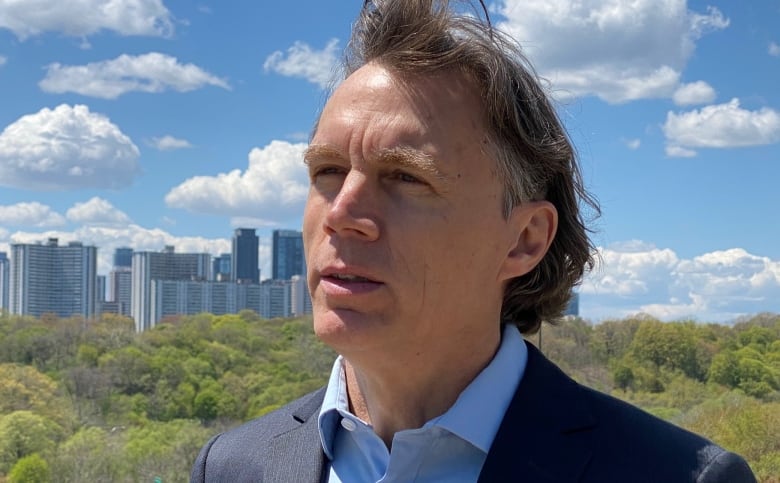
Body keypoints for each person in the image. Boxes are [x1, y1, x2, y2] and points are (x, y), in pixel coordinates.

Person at [191, 1, 756, 481]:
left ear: (524, 240)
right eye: (328, 172)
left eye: (406, 177)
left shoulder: (675, 473)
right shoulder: (234, 465)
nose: (342, 214)